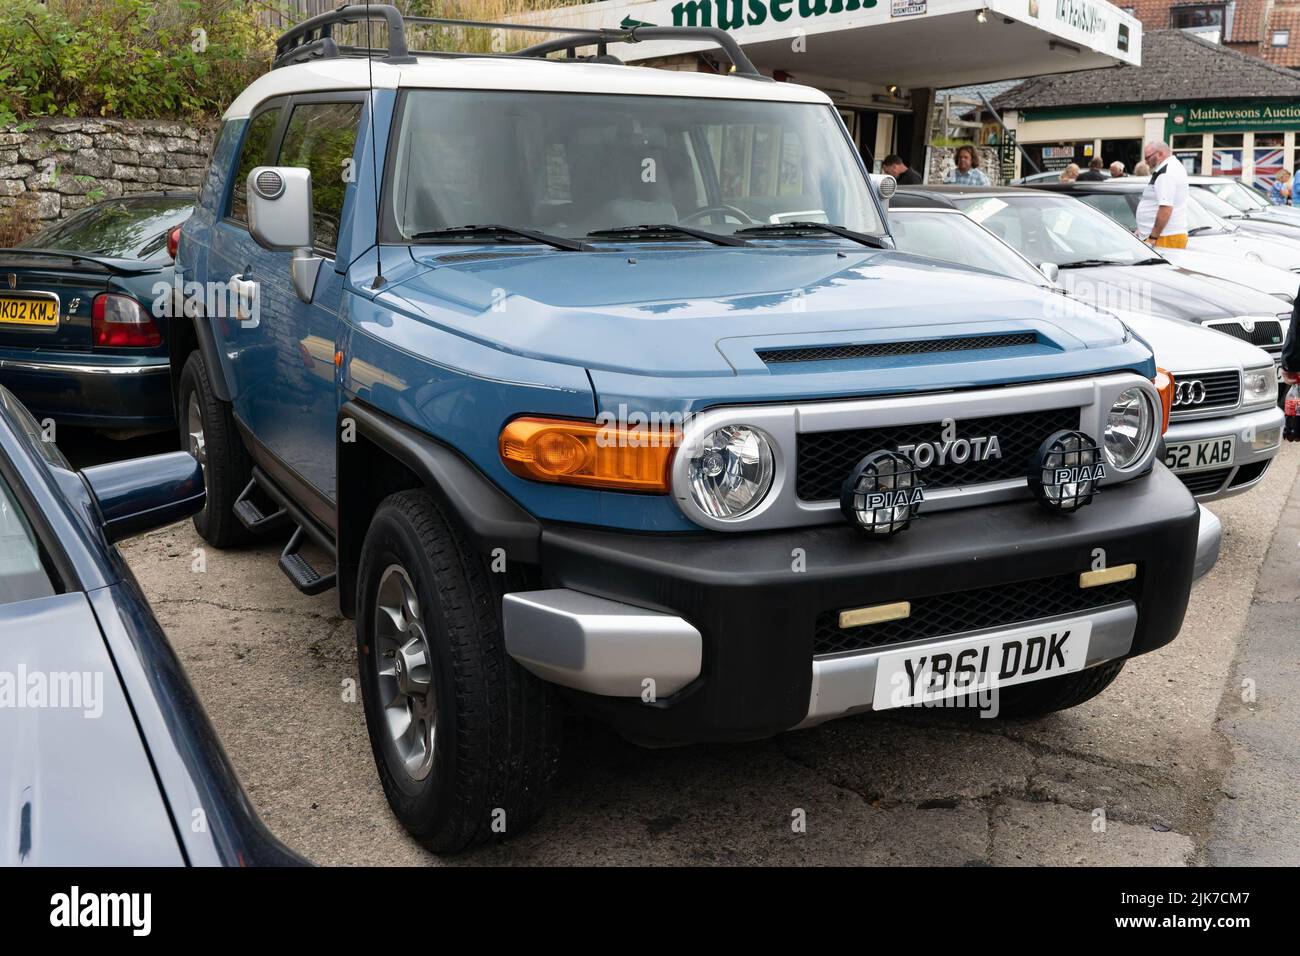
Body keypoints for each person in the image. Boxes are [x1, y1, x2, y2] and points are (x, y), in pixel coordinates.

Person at [1135, 140, 1189, 249]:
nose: (1145, 162)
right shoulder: (1173, 166)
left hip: (1164, 237)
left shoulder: (1165, 173)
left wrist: (1153, 237)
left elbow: (1166, 208)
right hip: (1167, 235)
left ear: (1159, 154)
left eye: (1147, 158)